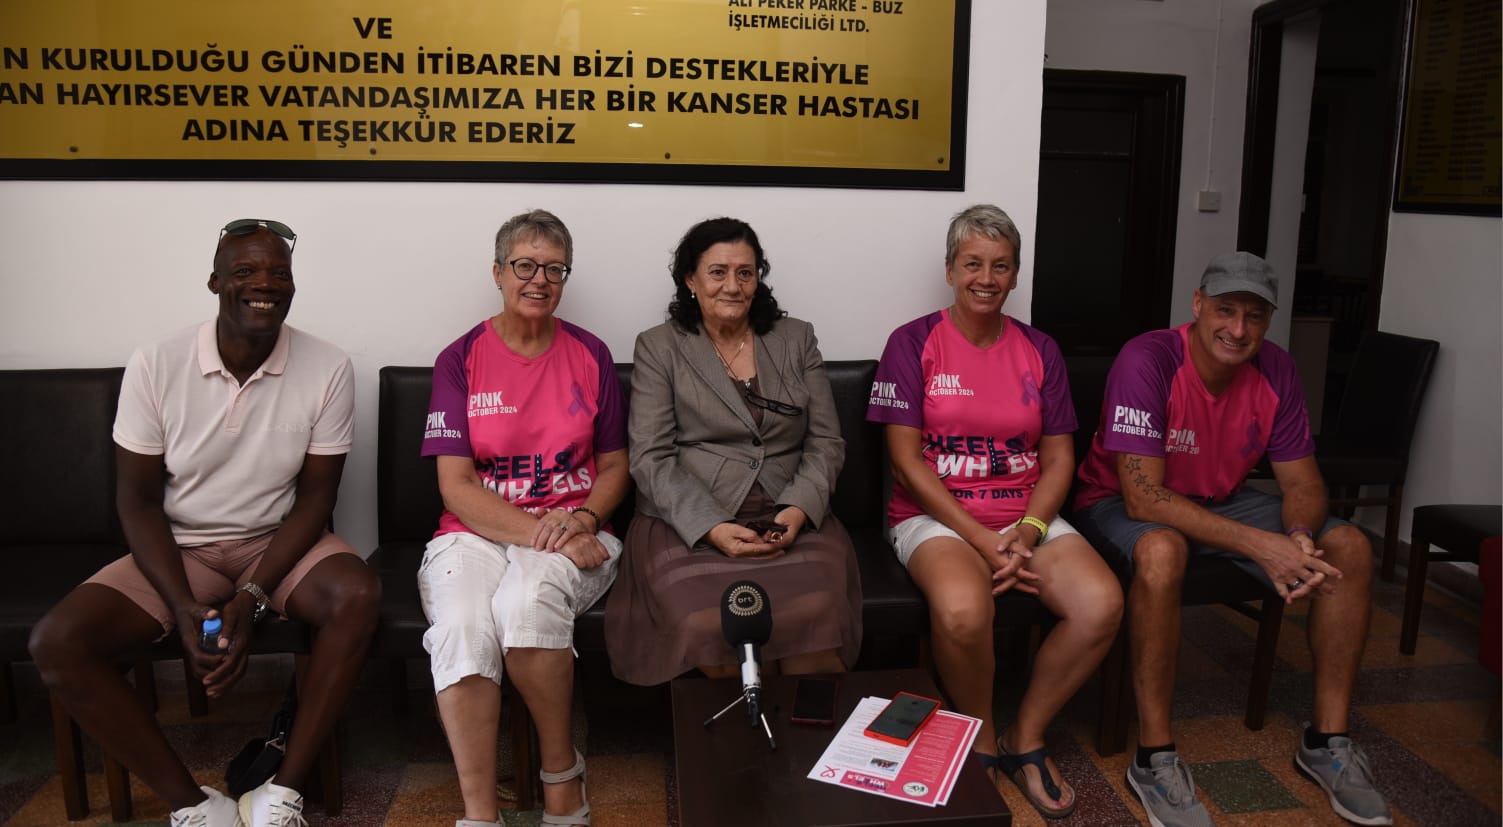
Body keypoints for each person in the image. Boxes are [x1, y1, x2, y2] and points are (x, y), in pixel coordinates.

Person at [29, 219, 380, 827]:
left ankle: (281, 794)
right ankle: (194, 806)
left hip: (277, 542)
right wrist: (181, 605)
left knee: (358, 594)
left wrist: (253, 596)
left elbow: (315, 500)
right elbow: (138, 502)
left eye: (279, 274)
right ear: (215, 282)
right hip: (181, 547)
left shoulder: (328, 365)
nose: (265, 284)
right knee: (57, 642)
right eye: (246, 271)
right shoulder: (156, 363)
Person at [1073, 252, 1391, 827]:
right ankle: (1154, 759)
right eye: (1225, 310)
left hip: (1220, 500)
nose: (1238, 329)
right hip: (1117, 501)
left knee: (1351, 546)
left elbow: (1302, 483)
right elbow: (1144, 498)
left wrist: (1297, 535)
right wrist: (1261, 545)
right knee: (1162, 550)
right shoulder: (1148, 358)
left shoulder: (1277, 369)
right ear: (1198, 305)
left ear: (1269, 321)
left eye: (1254, 315)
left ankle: (1327, 743)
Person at [865, 205, 1122, 819]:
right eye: (973, 264)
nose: (986, 278)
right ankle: (978, 734)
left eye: (1000, 266)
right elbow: (906, 463)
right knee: (962, 610)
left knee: (1101, 603)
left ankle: (1024, 735)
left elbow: (1058, 459)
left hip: (1026, 515)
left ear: (1015, 275)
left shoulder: (1040, 348)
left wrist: (1028, 531)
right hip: (936, 517)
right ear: (950, 270)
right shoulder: (911, 342)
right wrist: (983, 540)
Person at [419, 209, 626, 827]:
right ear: (498, 273)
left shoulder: (591, 353)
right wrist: (548, 533)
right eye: (525, 266)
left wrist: (583, 520)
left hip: (577, 528)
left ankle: (561, 773)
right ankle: (480, 813)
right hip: (478, 534)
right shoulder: (459, 359)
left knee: (526, 603)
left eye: (554, 269)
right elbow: (456, 487)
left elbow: (616, 467)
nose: (540, 280)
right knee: (461, 626)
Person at [606, 217, 861, 685]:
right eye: (718, 272)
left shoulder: (796, 338)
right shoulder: (660, 347)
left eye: (745, 272)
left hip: (788, 512)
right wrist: (711, 527)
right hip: (690, 518)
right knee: (708, 624)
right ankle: (745, 731)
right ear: (690, 279)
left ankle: (801, 728)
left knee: (815, 613)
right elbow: (651, 456)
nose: (733, 285)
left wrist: (797, 510)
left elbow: (826, 441)